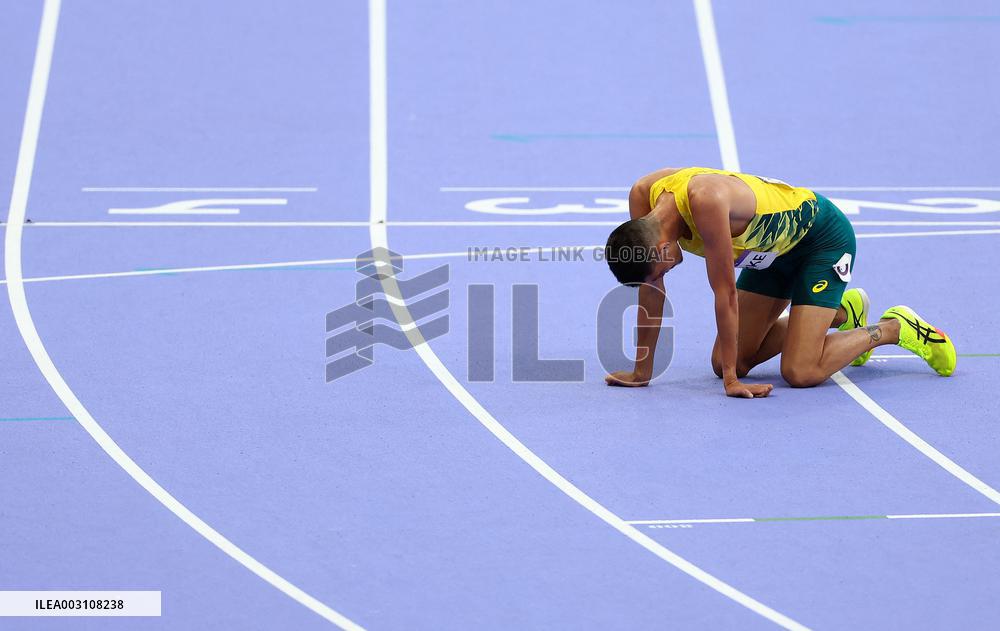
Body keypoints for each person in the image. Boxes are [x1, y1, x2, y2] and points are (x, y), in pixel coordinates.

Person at [603, 167, 956, 398]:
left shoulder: (705, 202)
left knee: (800, 371)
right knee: (728, 359)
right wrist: (641, 370)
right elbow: (651, 291)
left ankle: (894, 328)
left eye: (662, 270)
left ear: (662, 246)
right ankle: (839, 313)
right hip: (770, 254)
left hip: (820, 242)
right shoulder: (643, 198)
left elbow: (724, 295)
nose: (665, 276)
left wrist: (731, 382)